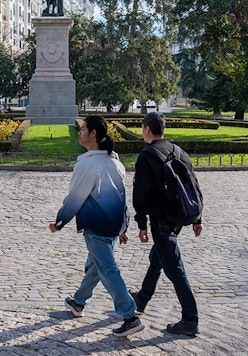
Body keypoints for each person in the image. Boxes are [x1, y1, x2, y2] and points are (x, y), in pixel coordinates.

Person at [49, 115, 143, 338]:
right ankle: (79, 302)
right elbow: (121, 198)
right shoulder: (115, 162)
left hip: (96, 224)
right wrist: (124, 227)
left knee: (107, 268)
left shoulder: (87, 164)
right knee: (96, 264)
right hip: (113, 224)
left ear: (93, 134)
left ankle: (130, 316)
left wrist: (59, 222)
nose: (79, 132)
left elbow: (75, 198)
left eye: (83, 129)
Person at [131, 111, 203, 337]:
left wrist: (141, 224)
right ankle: (142, 298)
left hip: (161, 219)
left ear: (146, 129)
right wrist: (197, 218)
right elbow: (194, 184)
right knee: (159, 257)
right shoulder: (178, 151)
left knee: (175, 268)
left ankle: (190, 319)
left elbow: (141, 194)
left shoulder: (147, 155)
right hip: (179, 218)